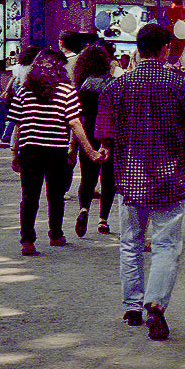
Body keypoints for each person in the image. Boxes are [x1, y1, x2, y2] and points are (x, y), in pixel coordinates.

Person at [95, 23, 185, 338]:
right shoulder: (181, 86)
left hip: (130, 177)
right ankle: (155, 302)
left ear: (138, 49)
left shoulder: (117, 87)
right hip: (170, 176)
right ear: (166, 48)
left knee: (130, 241)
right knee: (166, 243)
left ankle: (132, 305)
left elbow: (105, 137)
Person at [9, 61, 104, 255]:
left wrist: (14, 151)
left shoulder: (25, 91)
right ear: (61, 71)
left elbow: (18, 124)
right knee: (56, 195)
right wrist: (90, 151)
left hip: (30, 149)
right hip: (56, 150)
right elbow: (75, 124)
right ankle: (55, 235)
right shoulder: (67, 92)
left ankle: (27, 240)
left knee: (29, 196)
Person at [72, 45, 117, 238]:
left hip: (88, 131)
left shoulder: (85, 84)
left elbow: (77, 116)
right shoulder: (114, 83)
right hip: (110, 133)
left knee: (87, 176)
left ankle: (84, 209)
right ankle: (103, 220)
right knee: (109, 179)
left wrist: (72, 145)